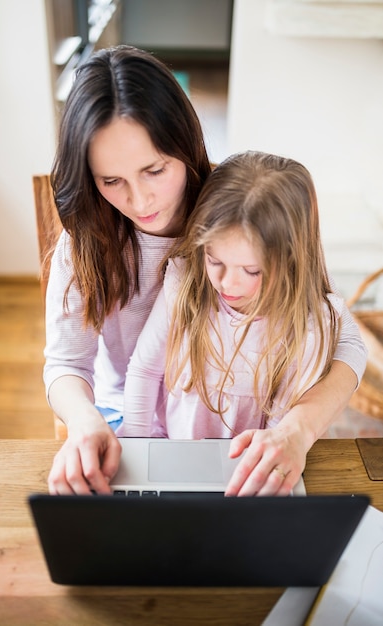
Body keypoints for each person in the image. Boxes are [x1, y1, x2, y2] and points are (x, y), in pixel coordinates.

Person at [45, 45, 366, 496]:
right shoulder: (87, 238)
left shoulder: (236, 211)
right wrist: (83, 421)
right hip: (123, 416)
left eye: (155, 170)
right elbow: (65, 362)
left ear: (186, 143)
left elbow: (345, 341)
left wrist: (299, 428)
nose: (140, 202)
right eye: (111, 180)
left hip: (236, 430)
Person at [120, 150, 355, 495]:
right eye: (214, 260)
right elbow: (144, 370)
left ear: (290, 260)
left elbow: (279, 428)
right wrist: (136, 454)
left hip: (245, 471)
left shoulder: (306, 327)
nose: (227, 283)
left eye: (251, 270)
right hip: (171, 454)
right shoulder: (183, 285)